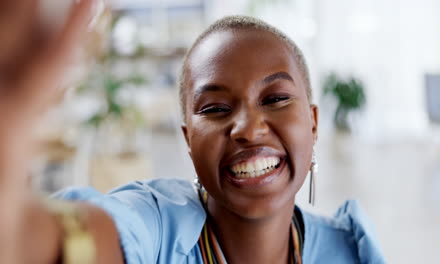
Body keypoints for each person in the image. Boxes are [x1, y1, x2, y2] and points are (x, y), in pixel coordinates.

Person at [0, 0, 386, 263]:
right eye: (216, 108)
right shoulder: (154, 226)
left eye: (275, 99)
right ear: (187, 139)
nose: (249, 129)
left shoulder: (350, 249)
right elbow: (45, 242)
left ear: (314, 122)